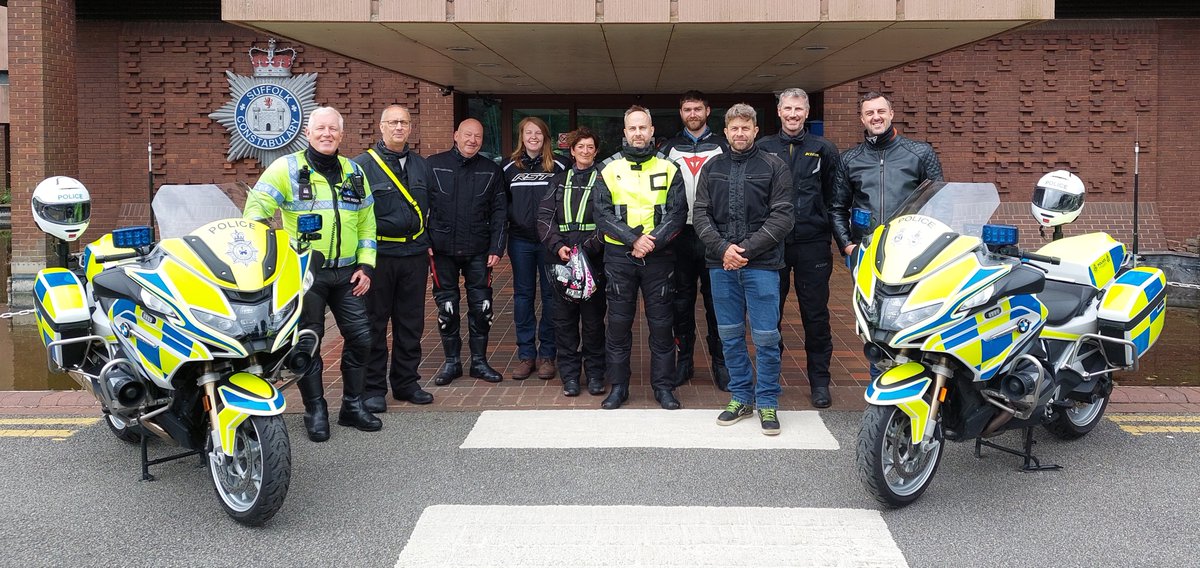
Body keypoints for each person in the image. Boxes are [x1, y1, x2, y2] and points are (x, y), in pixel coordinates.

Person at [244, 106, 381, 442]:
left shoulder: (354, 171)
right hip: (306, 274)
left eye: (333, 129)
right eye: (320, 128)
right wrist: (273, 255)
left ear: (341, 134)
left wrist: (366, 265)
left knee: (362, 338)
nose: (327, 134)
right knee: (308, 342)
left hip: (348, 274)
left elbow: (367, 223)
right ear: (308, 132)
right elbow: (255, 212)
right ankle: (315, 410)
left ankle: (352, 406)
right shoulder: (286, 168)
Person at [694, 103, 794, 435]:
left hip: (763, 265)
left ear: (755, 131)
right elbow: (700, 214)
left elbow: (782, 217)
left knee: (766, 337)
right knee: (730, 335)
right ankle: (740, 396)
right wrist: (724, 249)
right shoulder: (712, 167)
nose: (740, 133)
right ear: (726, 132)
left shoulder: (774, 166)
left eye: (746, 128)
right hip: (720, 265)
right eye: (734, 128)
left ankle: (767, 401)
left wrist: (744, 251)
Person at [831, 91, 943, 379]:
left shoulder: (920, 153)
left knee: (913, 319)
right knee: (874, 323)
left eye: (881, 111)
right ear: (862, 119)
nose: (876, 117)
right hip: (868, 254)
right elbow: (837, 207)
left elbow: (940, 203)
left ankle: (916, 382)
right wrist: (848, 246)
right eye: (869, 113)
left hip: (912, 254)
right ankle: (879, 383)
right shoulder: (850, 159)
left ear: (891, 114)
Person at [594, 105, 687, 410]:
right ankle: (619, 387)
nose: (637, 133)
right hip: (620, 257)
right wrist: (633, 239)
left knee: (662, 326)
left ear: (651, 131)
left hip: (658, 258)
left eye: (642, 127)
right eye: (632, 128)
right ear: (625, 132)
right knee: (618, 326)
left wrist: (649, 243)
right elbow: (601, 214)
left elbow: (677, 214)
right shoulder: (607, 168)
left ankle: (664, 387)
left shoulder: (669, 167)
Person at [758, 88, 840, 409]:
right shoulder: (764, 147)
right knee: (770, 316)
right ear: (779, 111)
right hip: (773, 245)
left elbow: (834, 198)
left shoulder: (824, 149)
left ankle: (820, 382)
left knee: (815, 316)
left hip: (812, 245)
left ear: (806, 113)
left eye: (799, 109)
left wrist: (837, 237)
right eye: (788, 109)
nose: (793, 115)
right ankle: (769, 379)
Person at [352, 104, 435, 412]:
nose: (399, 127)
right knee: (375, 323)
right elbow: (353, 216)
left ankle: (406, 382)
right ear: (382, 127)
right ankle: (373, 388)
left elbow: (431, 208)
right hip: (380, 255)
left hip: (414, 254)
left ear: (410, 128)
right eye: (393, 122)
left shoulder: (421, 165)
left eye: (404, 122)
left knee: (411, 323)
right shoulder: (361, 166)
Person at [426, 118, 507, 385]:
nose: (472, 140)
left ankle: (479, 363)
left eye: (478, 136)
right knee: (447, 308)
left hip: (479, 250)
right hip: (441, 250)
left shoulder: (491, 170)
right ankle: (452, 363)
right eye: (467, 135)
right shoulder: (433, 165)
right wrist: (424, 241)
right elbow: (420, 206)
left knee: (482, 308)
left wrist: (497, 246)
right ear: (456, 135)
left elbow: (500, 213)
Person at [659, 90, 731, 390]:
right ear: (681, 113)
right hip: (680, 235)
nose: (693, 114)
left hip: (714, 234)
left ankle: (721, 363)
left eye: (697, 109)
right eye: (687, 109)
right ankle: (684, 360)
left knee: (718, 302)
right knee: (681, 302)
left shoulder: (724, 145)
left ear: (707, 111)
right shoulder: (668, 148)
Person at [536, 128, 607, 397]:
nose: (585, 151)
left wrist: (586, 250)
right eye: (581, 147)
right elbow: (544, 218)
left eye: (590, 147)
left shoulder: (605, 180)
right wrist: (558, 246)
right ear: (573, 150)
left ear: (596, 151)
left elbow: (609, 219)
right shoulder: (558, 181)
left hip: (593, 260)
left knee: (593, 322)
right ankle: (570, 377)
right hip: (561, 260)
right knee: (564, 322)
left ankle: (596, 374)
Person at [504, 117, 570, 381]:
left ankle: (547, 355)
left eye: (538, 133)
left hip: (550, 242)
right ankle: (526, 355)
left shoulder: (560, 165)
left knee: (551, 297)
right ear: (521, 136)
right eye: (528, 132)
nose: (533, 137)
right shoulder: (508, 167)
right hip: (520, 241)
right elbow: (501, 205)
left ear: (545, 137)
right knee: (523, 297)